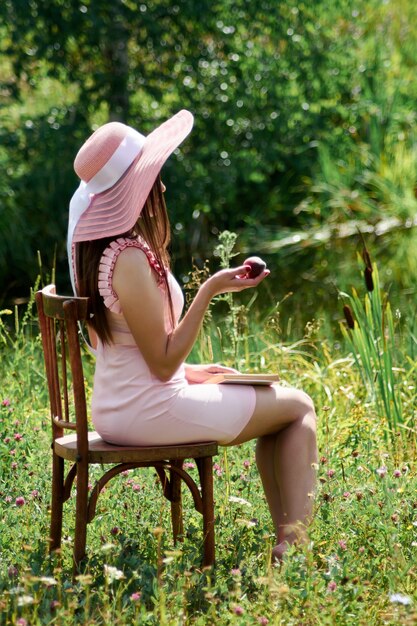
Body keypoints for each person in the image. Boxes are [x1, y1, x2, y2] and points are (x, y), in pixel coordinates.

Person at [67, 109, 318, 561]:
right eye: (153, 177)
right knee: (299, 407)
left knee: (276, 402)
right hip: (148, 410)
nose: (161, 186)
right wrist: (211, 289)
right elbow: (162, 364)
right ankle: (295, 547)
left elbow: (134, 353)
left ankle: (288, 543)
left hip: (120, 406)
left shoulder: (103, 252)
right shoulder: (127, 259)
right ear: (133, 190)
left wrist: (198, 372)